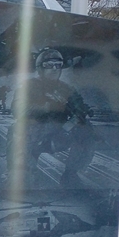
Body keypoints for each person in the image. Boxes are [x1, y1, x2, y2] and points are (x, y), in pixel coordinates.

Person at [8, 48, 96, 185]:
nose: (54, 69)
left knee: (86, 130)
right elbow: (17, 109)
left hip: (58, 134)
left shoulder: (66, 89)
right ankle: (22, 174)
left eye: (58, 65)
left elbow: (78, 104)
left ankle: (71, 174)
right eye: (49, 65)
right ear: (40, 68)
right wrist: (47, 107)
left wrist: (81, 111)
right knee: (23, 183)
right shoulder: (29, 86)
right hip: (31, 135)